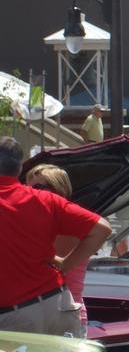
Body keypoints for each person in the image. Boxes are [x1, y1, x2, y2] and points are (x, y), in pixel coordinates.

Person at [0, 137, 112, 337]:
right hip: (59, 304)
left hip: (15, 316)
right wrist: (66, 264)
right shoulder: (46, 200)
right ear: (19, 170)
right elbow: (102, 228)